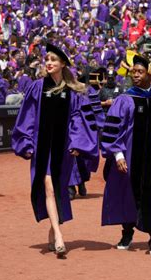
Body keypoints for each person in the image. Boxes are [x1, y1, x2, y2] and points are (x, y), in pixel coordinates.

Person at [12, 43, 98, 258]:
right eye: (47, 59)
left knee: (58, 190)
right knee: (48, 187)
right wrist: (26, 142)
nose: (49, 63)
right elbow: (27, 116)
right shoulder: (37, 87)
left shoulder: (73, 91)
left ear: (63, 64)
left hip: (64, 149)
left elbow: (79, 118)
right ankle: (59, 236)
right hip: (42, 148)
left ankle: (52, 231)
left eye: (53, 60)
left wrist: (78, 142)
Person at [101, 54, 151, 256]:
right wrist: (118, 155)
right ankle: (127, 233)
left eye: (140, 72)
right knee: (128, 194)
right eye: (134, 71)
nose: (135, 75)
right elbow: (113, 129)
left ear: (150, 75)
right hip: (130, 157)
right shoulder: (125, 99)